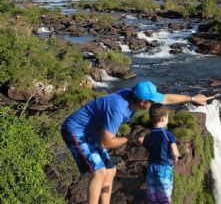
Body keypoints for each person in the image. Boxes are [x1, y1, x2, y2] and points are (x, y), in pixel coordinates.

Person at [60, 81, 212, 204]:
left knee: (110, 171)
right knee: (98, 171)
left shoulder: (133, 97)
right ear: (142, 102)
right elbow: (106, 143)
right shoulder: (118, 110)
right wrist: (131, 139)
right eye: (152, 103)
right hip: (76, 131)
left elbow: (166, 98)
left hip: (93, 131)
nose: (155, 105)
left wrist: (192, 98)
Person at [139, 103, 179, 204]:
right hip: (164, 168)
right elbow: (175, 152)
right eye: (167, 117)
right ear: (162, 119)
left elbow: (143, 154)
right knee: (164, 197)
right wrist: (176, 158)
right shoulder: (168, 134)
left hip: (151, 168)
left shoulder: (148, 135)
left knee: (152, 197)